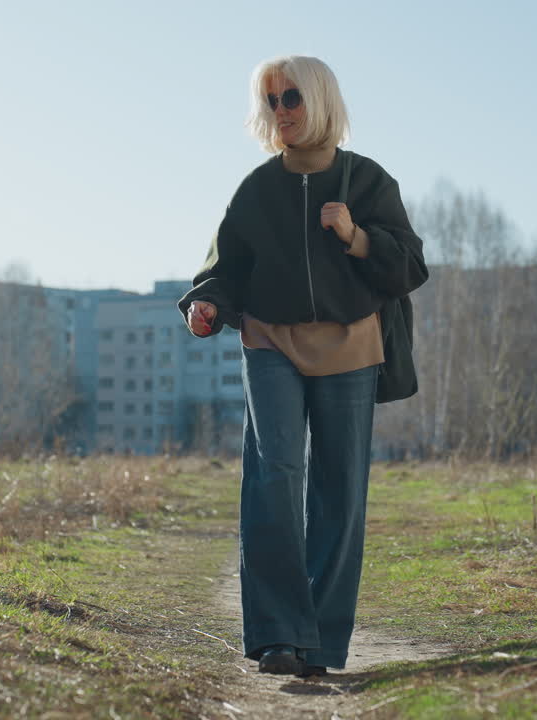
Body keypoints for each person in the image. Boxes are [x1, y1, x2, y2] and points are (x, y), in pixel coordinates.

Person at [178, 55, 427, 678]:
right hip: (270, 342)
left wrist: (357, 236)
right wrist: (206, 304)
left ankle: (320, 641)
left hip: (351, 344)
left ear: (319, 100)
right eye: (271, 100)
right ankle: (277, 636)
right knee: (275, 476)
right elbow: (223, 267)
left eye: (291, 97)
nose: (281, 111)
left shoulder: (367, 180)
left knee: (339, 486)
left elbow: (409, 266)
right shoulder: (257, 189)